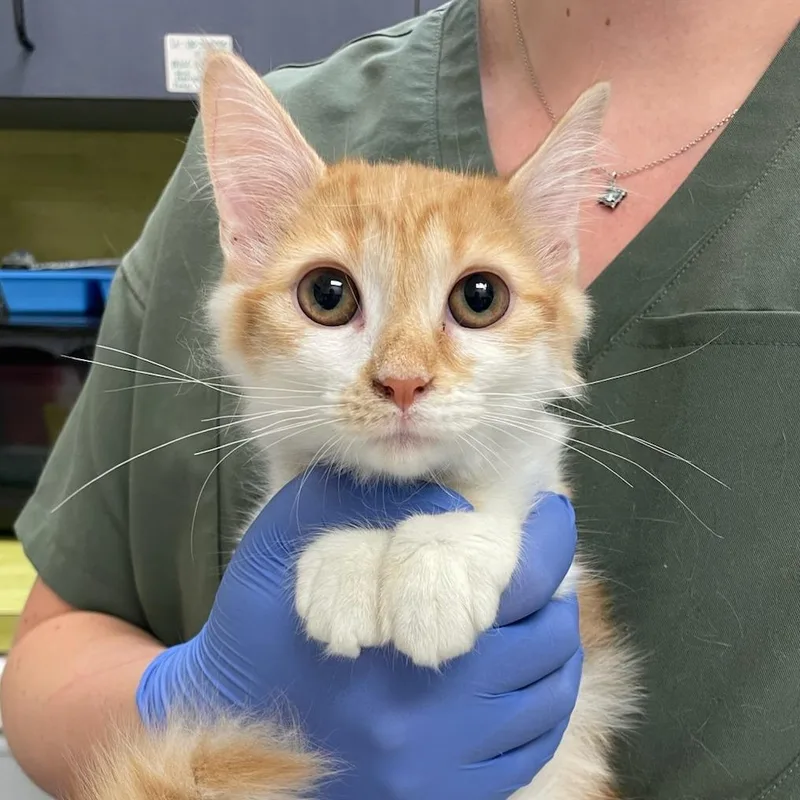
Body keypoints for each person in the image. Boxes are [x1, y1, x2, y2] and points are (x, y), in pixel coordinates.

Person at [1, 0, 799, 797]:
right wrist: (193, 701)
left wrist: (471, 540)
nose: (405, 373)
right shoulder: (313, 108)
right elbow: (48, 652)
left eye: (477, 298)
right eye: (329, 295)